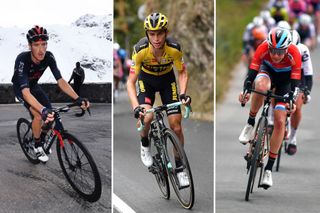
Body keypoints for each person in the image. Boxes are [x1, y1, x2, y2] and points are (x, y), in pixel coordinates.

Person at [126, 12, 191, 187]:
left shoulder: (174, 48)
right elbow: (130, 82)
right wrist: (136, 107)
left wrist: (183, 94)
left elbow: (182, 72)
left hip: (167, 81)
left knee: (176, 126)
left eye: (160, 33)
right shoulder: (140, 50)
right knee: (147, 116)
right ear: (147, 34)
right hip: (146, 81)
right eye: (152, 34)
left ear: (166, 33)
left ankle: (180, 168)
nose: (156, 38)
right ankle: (145, 143)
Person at [11, 25, 89, 163]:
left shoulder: (49, 57)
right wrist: (42, 110)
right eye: (36, 45)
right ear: (29, 46)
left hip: (34, 87)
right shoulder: (22, 60)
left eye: (44, 44)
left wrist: (77, 98)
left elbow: (61, 81)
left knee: (52, 115)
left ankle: (41, 137)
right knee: (38, 115)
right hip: (22, 90)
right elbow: (26, 93)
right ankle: (37, 145)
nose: (41, 49)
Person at [239, 27, 301, 188]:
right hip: (267, 73)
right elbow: (252, 70)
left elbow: (295, 80)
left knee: (280, 122)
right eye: (273, 50)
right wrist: (246, 88)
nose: (275, 55)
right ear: (269, 45)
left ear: (287, 48)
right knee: (259, 86)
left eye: (280, 52)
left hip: (285, 83)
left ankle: (268, 169)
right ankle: (250, 122)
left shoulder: (294, 53)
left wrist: (292, 99)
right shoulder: (263, 47)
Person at [286, 30, 313, 155]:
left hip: (300, 75)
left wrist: (306, 91)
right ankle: (270, 119)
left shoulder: (303, 50)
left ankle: (293, 138)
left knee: (297, 105)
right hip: (285, 72)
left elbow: (308, 74)